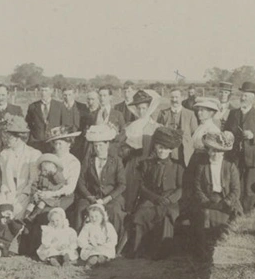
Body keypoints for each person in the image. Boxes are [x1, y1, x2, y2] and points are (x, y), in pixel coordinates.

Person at [0, 115, 41, 248]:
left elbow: (33, 180)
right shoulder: (5, 154)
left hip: (24, 193)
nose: (5, 139)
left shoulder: (33, 154)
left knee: (15, 212)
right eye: (5, 136)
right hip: (7, 191)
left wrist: (24, 194)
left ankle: (5, 244)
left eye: (9, 137)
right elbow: (4, 179)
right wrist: (5, 193)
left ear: (18, 138)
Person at [20, 126, 82, 256]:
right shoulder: (48, 158)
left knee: (46, 213)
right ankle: (28, 247)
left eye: (61, 143)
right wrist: (37, 192)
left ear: (69, 144)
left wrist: (52, 194)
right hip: (44, 193)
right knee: (29, 208)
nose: (57, 146)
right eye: (55, 143)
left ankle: (47, 249)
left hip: (64, 196)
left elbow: (69, 188)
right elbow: (39, 178)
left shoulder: (73, 161)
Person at [125, 126, 184, 259]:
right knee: (141, 213)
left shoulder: (177, 166)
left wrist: (170, 199)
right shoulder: (147, 164)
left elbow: (181, 188)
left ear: (170, 150)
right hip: (151, 199)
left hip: (169, 201)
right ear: (155, 147)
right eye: (160, 147)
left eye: (165, 148)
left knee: (167, 215)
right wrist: (154, 198)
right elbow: (142, 186)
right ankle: (138, 249)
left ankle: (161, 251)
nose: (162, 151)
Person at [191, 131, 242, 256]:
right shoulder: (202, 166)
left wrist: (226, 202)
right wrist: (205, 201)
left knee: (236, 217)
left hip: (226, 198)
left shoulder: (230, 166)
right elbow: (197, 187)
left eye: (216, 151)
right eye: (211, 150)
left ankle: (228, 249)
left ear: (223, 153)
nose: (213, 154)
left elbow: (236, 190)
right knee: (201, 217)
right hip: (208, 198)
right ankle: (205, 252)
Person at [223, 81, 255, 210]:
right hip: (235, 158)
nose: (243, 98)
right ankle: (235, 215)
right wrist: (227, 134)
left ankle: (250, 217)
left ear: (253, 98)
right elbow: (227, 129)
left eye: (247, 96)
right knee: (234, 188)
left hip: (254, 159)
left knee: (250, 191)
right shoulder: (233, 114)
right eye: (242, 95)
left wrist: (253, 136)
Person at [75, 123, 126, 236]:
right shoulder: (88, 161)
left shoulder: (116, 161)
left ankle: (113, 244)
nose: (98, 149)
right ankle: (80, 243)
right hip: (92, 195)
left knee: (114, 211)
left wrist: (107, 199)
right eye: (95, 146)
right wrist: (89, 196)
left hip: (112, 197)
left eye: (101, 146)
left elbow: (122, 185)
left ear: (107, 144)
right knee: (81, 208)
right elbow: (80, 182)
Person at [121, 89, 162, 212]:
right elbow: (121, 147)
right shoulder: (129, 126)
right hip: (132, 165)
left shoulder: (156, 127)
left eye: (144, 108)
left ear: (149, 108)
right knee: (130, 195)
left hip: (149, 165)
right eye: (139, 108)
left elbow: (158, 149)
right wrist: (129, 152)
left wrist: (149, 160)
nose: (141, 111)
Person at [157, 88, 198, 167]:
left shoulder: (190, 114)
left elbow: (194, 135)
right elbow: (158, 133)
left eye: (176, 97)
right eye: (172, 97)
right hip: (167, 153)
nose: (174, 100)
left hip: (184, 153)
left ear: (182, 98)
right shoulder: (163, 113)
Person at [25, 84, 72, 153]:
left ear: (51, 91)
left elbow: (66, 124)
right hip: (37, 144)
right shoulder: (33, 106)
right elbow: (28, 124)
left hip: (54, 144)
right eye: (42, 90)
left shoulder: (60, 106)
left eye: (46, 90)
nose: (43, 93)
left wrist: (58, 130)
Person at [24, 153, 68, 220]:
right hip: (41, 193)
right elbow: (35, 184)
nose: (45, 172)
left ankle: (33, 216)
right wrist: (35, 192)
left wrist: (54, 173)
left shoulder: (57, 176)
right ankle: (26, 216)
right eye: (43, 170)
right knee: (32, 201)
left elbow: (60, 183)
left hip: (51, 197)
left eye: (47, 170)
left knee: (42, 202)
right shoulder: (41, 176)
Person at [63, 86, 89, 158]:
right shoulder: (58, 107)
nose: (67, 97)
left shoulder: (82, 107)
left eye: (69, 95)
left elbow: (86, 124)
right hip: (64, 142)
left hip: (79, 142)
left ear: (74, 95)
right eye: (65, 95)